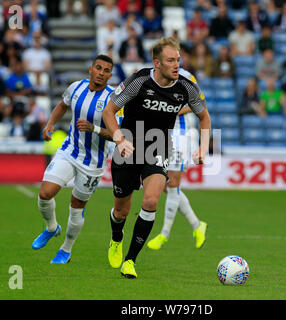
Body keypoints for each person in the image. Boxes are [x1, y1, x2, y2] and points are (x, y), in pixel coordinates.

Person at [102, 37, 211, 279]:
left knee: (151, 201)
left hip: (158, 148)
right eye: (171, 60)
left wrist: (203, 147)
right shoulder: (139, 81)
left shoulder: (186, 87)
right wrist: (119, 138)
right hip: (128, 147)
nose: (177, 65)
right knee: (121, 211)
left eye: (178, 59)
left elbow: (204, 116)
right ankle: (116, 238)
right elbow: (109, 110)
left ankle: (130, 260)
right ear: (157, 63)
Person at [31, 55, 115, 264]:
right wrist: (50, 124)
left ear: (110, 75)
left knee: (76, 207)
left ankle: (66, 250)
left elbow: (117, 134)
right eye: (98, 68)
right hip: (69, 150)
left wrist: (93, 128)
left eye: (106, 70)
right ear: (90, 69)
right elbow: (62, 105)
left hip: (93, 163)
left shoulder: (114, 99)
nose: (101, 73)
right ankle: (51, 227)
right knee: (44, 194)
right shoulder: (76, 87)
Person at [147, 68, 207, 251]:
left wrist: (176, 109)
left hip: (182, 136)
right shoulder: (155, 76)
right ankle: (197, 225)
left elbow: (201, 104)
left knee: (172, 183)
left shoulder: (186, 77)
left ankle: (164, 234)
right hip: (164, 135)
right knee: (166, 185)